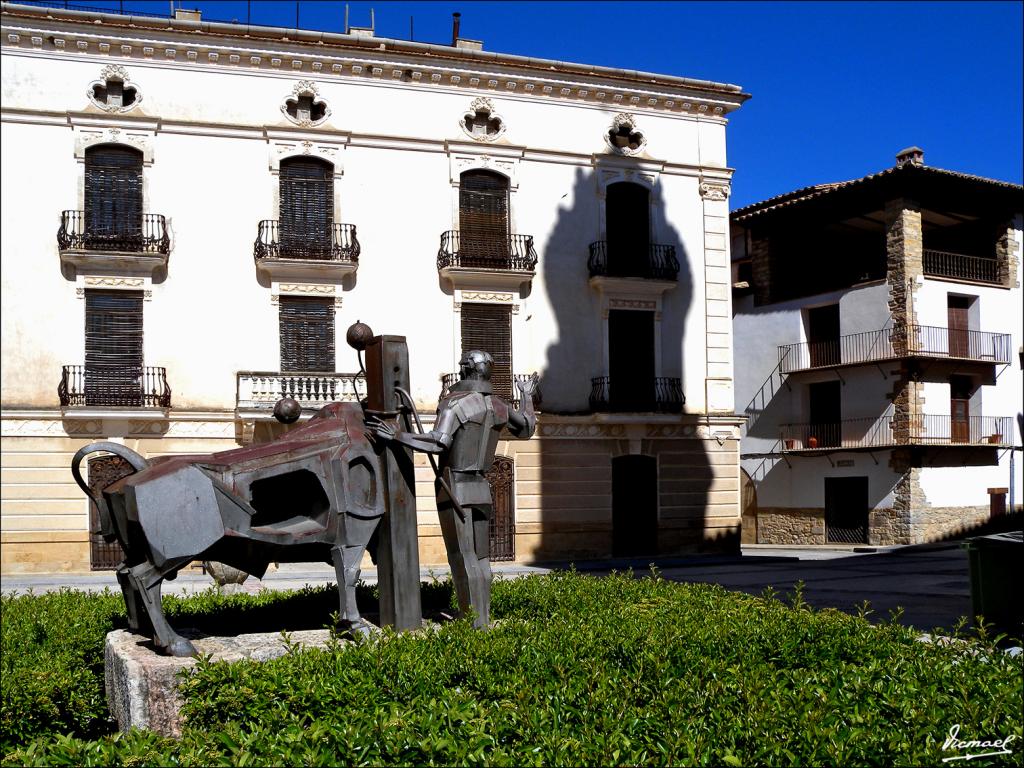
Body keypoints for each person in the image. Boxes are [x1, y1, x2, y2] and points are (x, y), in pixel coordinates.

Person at [367, 350, 537, 627]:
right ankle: (481, 619)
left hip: (454, 486)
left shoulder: (455, 404)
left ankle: (472, 622)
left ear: (466, 371)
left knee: (463, 557)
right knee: (482, 558)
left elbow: (438, 442)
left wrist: (398, 436)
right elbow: (528, 428)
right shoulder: (499, 405)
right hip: (482, 487)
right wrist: (526, 395)